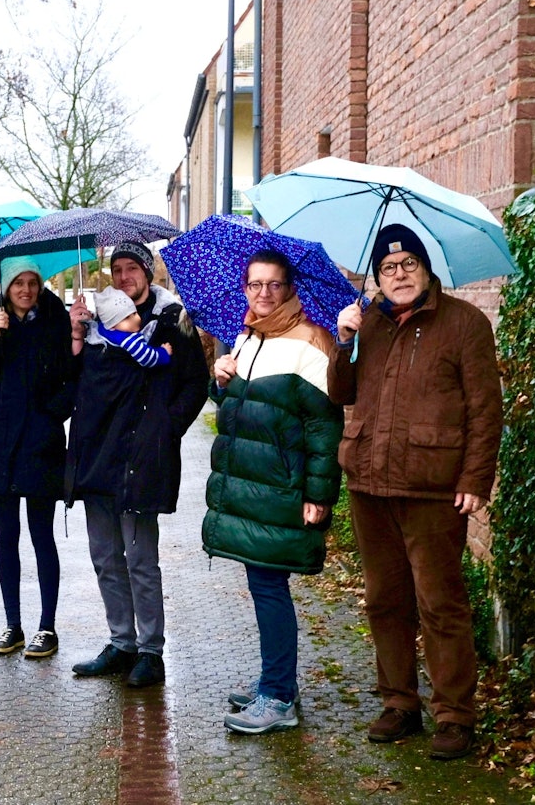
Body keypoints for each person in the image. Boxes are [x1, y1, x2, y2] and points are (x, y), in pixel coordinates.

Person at [331, 223, 502, 760]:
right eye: (388, 268)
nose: (399, 276)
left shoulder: (465, 324)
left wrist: (476, 480)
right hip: (370, 483)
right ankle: (400, 703)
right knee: (385, 600)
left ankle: (454, 714)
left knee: (440, 602)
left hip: (433, 489)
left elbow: (485, 409)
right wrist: (344, 340)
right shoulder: (370, 324)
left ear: (427, 271)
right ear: (377, 277)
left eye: (408, 266)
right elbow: (341, 391)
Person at [203, 250, 343, 734]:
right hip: (252, 491)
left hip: (282, 490)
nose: (263, 293)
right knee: (264, 586)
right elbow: (244, 414)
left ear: (290, 289)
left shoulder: (310, 342)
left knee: (269, 588)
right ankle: (276, 681)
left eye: (274, 285)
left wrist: (320, 495)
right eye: (255, 284)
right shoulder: (247, 337)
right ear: (245, 288)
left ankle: (279, 696)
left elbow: (325, 428)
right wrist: (221, 380)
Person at [65, 241, 209, 688]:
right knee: (105, 556)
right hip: (97, 456)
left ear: (148, 272)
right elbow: (70, 383)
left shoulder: (172, 320)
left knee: (140, 558)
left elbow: (195, 384)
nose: (125, 276)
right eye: (117, 269)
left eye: (132, 268)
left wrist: (166, 430)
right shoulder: (97, 323)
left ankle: (150, 650)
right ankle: (121, 641)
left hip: (141, 458)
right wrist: (73, 331)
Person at [0, 256, 78, 659]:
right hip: (0, 441)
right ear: (7, 286)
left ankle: (47, 627)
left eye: (32, 281)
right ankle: (12, 624)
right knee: (6, 536)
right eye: (18, 283)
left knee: (41, 535)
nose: (26, 290)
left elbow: (72, 378)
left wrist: (52, 413)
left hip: (42, 442)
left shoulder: (56, 319)